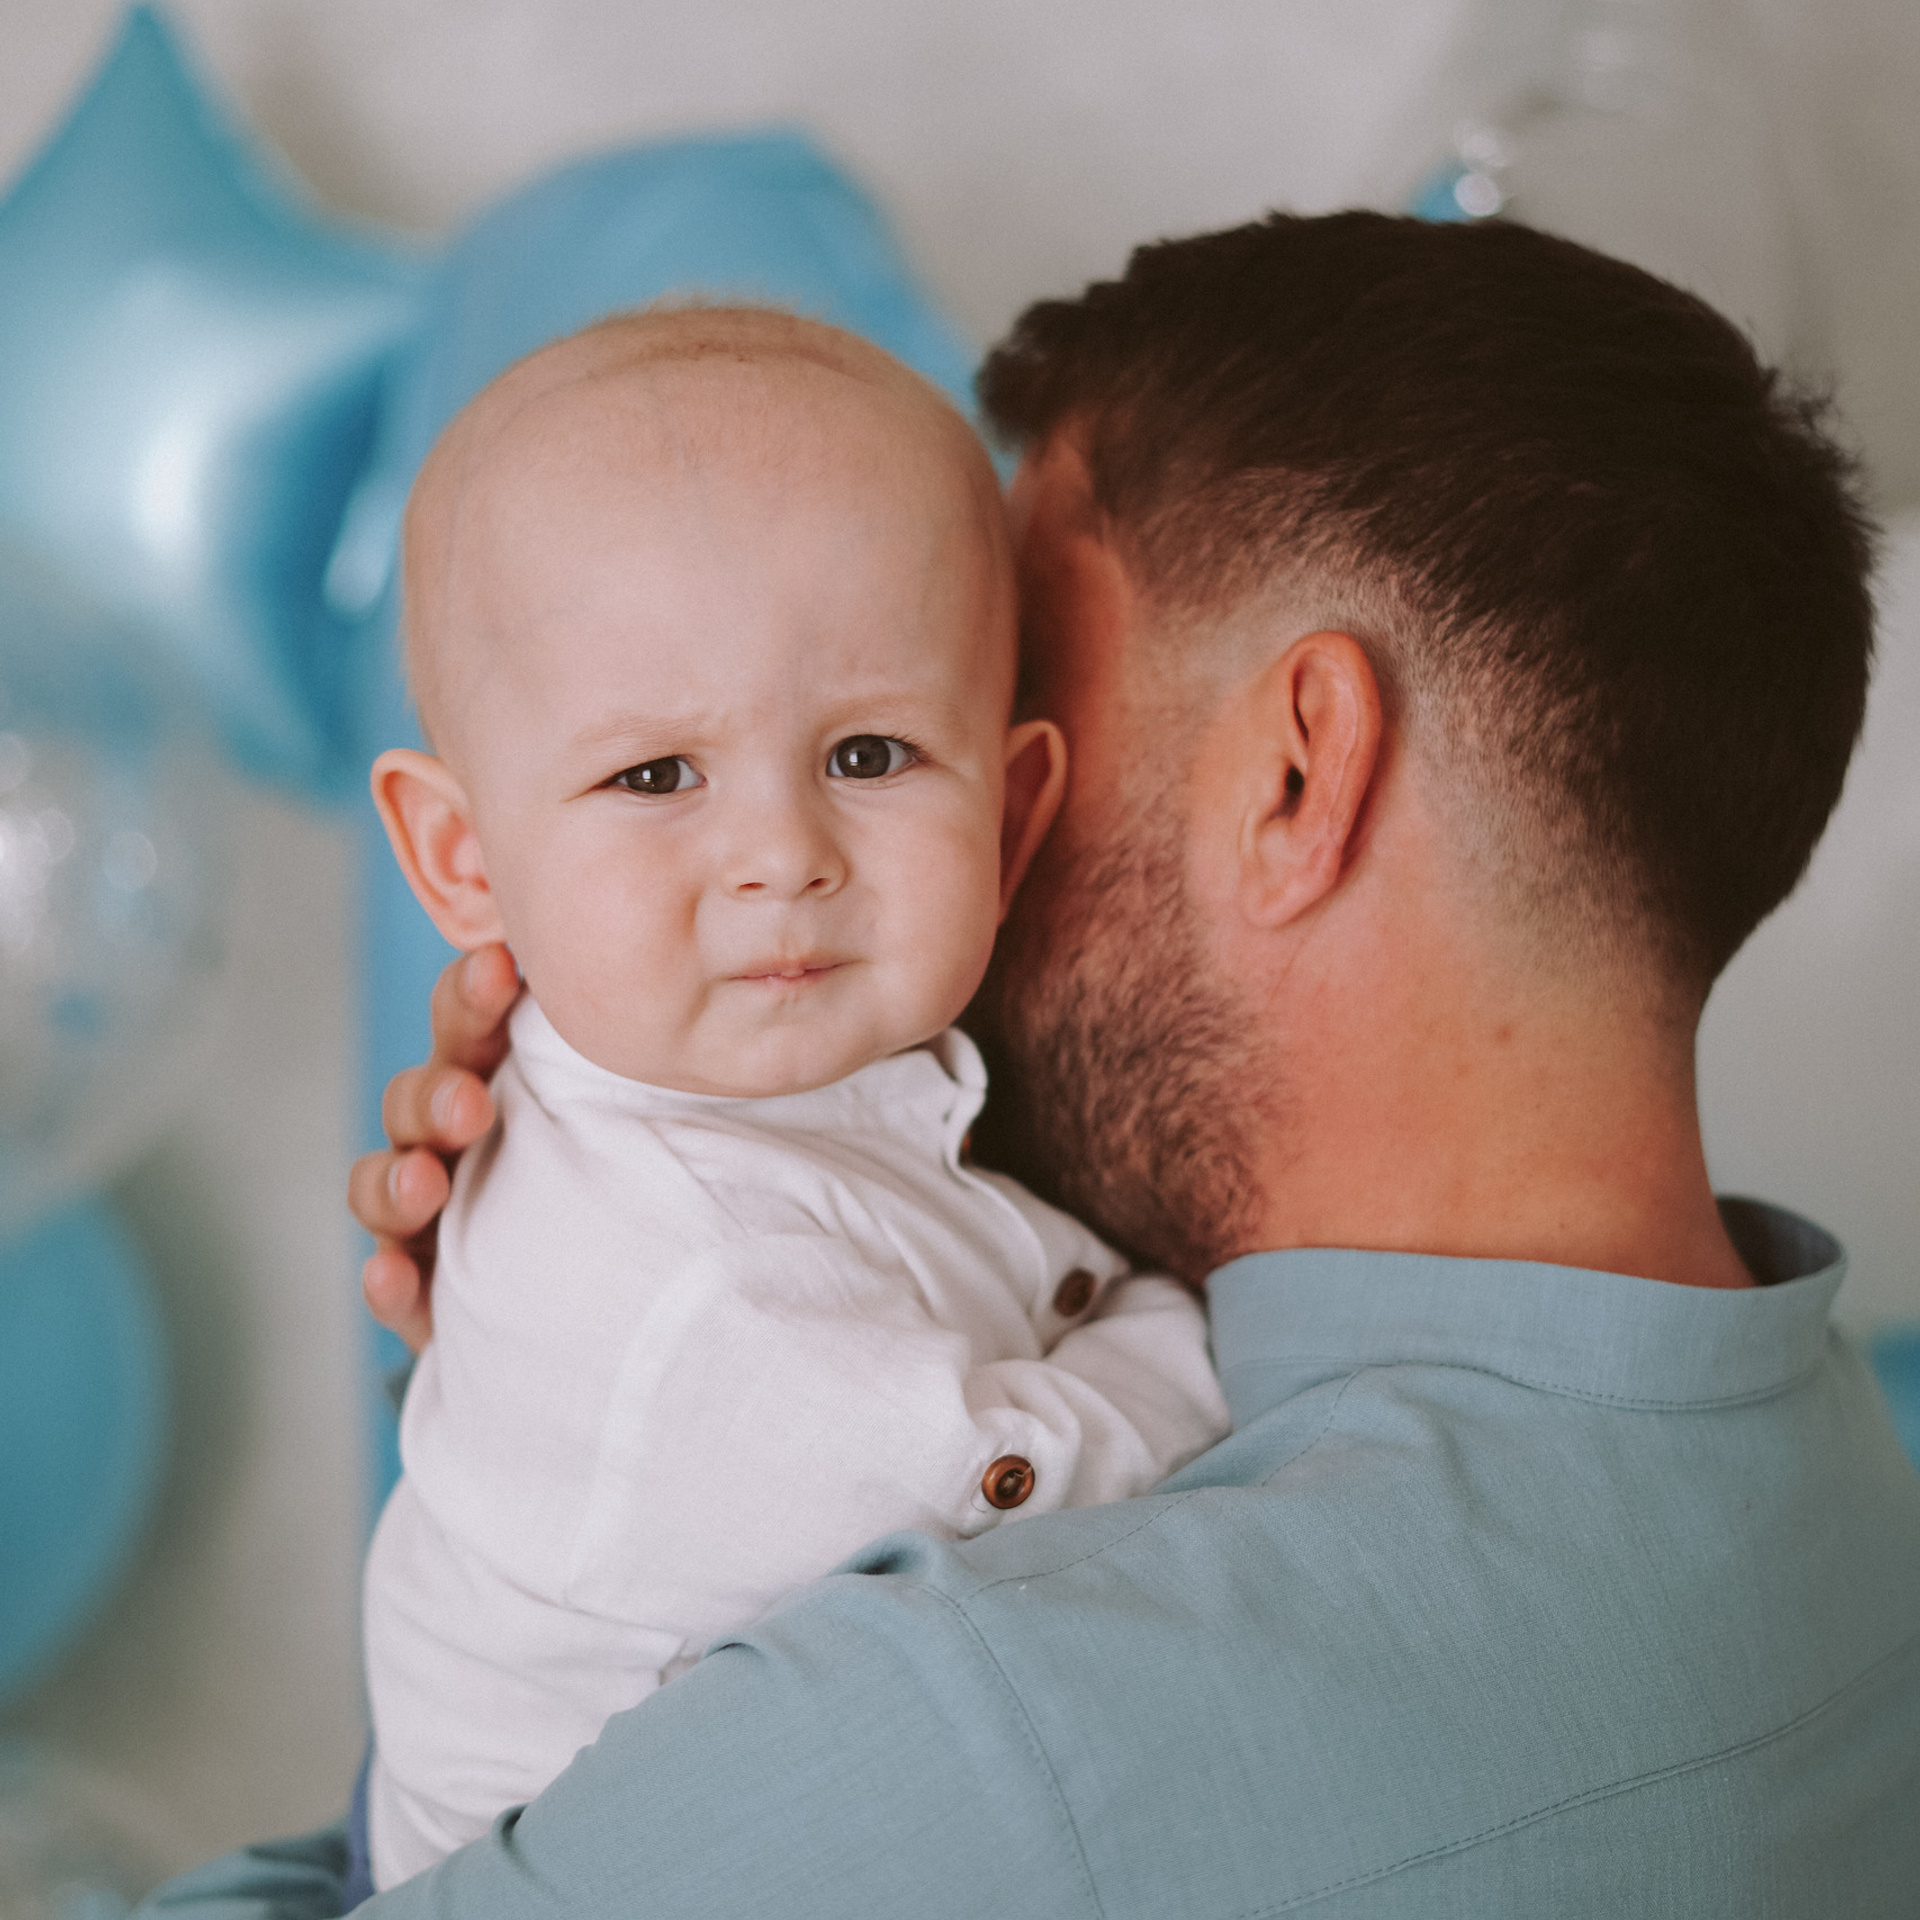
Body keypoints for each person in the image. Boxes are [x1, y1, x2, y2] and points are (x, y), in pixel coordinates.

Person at [149, 212, 1920, 1919]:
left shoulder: (1003, 1726)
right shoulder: (1840, 1486)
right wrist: (547, 1386)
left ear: (1299, 777)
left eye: (928, 729)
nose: (809, 866)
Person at [353, 305, 1225, 1890]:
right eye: (657, 776)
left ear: (1017, 810)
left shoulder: (788, 1089)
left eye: (874, 753)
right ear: (463, 859)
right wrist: (1198, 1324)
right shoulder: (692, 1285)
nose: (783, 855)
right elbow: (1031, 1490)